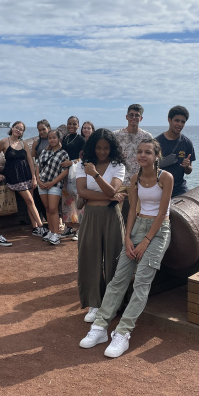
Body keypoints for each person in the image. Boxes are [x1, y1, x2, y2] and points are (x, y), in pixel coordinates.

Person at [79, 138, 173, 358]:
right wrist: (128, 239)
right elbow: (131, 210)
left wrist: (146, 241)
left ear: (156, 156)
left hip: (158, 231)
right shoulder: (134, 179)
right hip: (137, 226)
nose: (143, 155)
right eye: (140, 152)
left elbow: (162, 212)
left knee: (141, 281)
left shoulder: (165, 178)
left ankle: (123, 332)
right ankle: (100, 327)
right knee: (118, 279)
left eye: (148, 152)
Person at [75, 128, 127, 323]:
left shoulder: (117, 165)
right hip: (90, 216)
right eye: (98, 147)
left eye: (106, 148)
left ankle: (113, 303)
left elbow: (112, 189)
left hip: (111, 216)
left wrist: (96, 175)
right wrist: (109, 195)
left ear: (111, 148)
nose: (102, 151)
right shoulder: (82, 165)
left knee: (114, 258)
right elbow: (82, 192)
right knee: (91, 258)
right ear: (92, 147)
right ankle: (94, 303)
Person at [0, 121, 45, 236]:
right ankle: (41, 227)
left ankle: (35, 227)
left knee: (30, 202)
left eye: (21, 129)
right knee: (30, 201)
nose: (18, 130)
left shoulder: (23, 144)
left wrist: (33, 177)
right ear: (12, 128)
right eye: (17, 127)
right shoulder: (4, 142)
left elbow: (30, 161)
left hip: (26, 174)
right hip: (14, 176)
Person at [113, 104, 153, 219]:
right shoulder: (116, 135)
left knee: (137, 212)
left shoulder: (146, 136)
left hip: (137, 180)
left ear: (141, 118)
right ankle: (115, 235)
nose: (134, 118)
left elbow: (151, 159)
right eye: (131, 115)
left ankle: (135, 236)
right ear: (126, 117)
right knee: (114, 211)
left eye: (137, 115)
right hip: (119, 179)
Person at [35, 129, 70, 245]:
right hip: (43, 183)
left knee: (54, 208)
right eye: (50, 138)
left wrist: (52, 182)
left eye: (54, 137)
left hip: (55, 184)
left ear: (59, 138)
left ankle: (56, 233)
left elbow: (65, 172)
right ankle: (50, 230)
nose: (52, 140)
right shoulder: (45, 152)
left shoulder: (64, 153)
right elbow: (38, 167)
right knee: (48, 209)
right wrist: (38, 181)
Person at [155, 105, 195, 197]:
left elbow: (188, 171)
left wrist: (187, 166)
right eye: (176, 120)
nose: (179, 124)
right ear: (169, 120)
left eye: (183, 122)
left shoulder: (187, 143)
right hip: (160, 188)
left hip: (179, 189)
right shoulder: (157, 143)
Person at [60, 116, 86, 239]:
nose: (71, 126)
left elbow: (84, 158)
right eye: (69, 124)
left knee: (77, 200)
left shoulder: (81, 139)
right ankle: (68, 227)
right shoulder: (65, 138)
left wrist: (71, 162)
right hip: (65, 173)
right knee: (67, 201)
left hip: (77, 172)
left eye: (74, 124)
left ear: (78, 125)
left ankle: (80, 229)